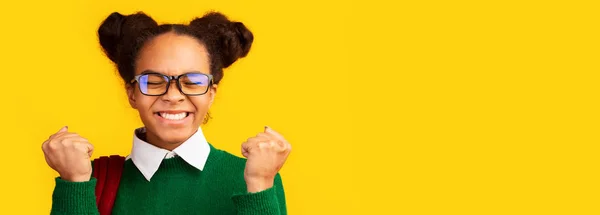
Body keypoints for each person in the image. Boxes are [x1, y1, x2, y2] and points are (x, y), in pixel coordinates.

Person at [41, 11, 291, 215]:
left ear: (211, 93)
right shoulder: (87, 180)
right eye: (153, 80)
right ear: (132, 93)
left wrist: (259, 185)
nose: (173, 96)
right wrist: (74, 183)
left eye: (192, 81)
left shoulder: (257, 178)